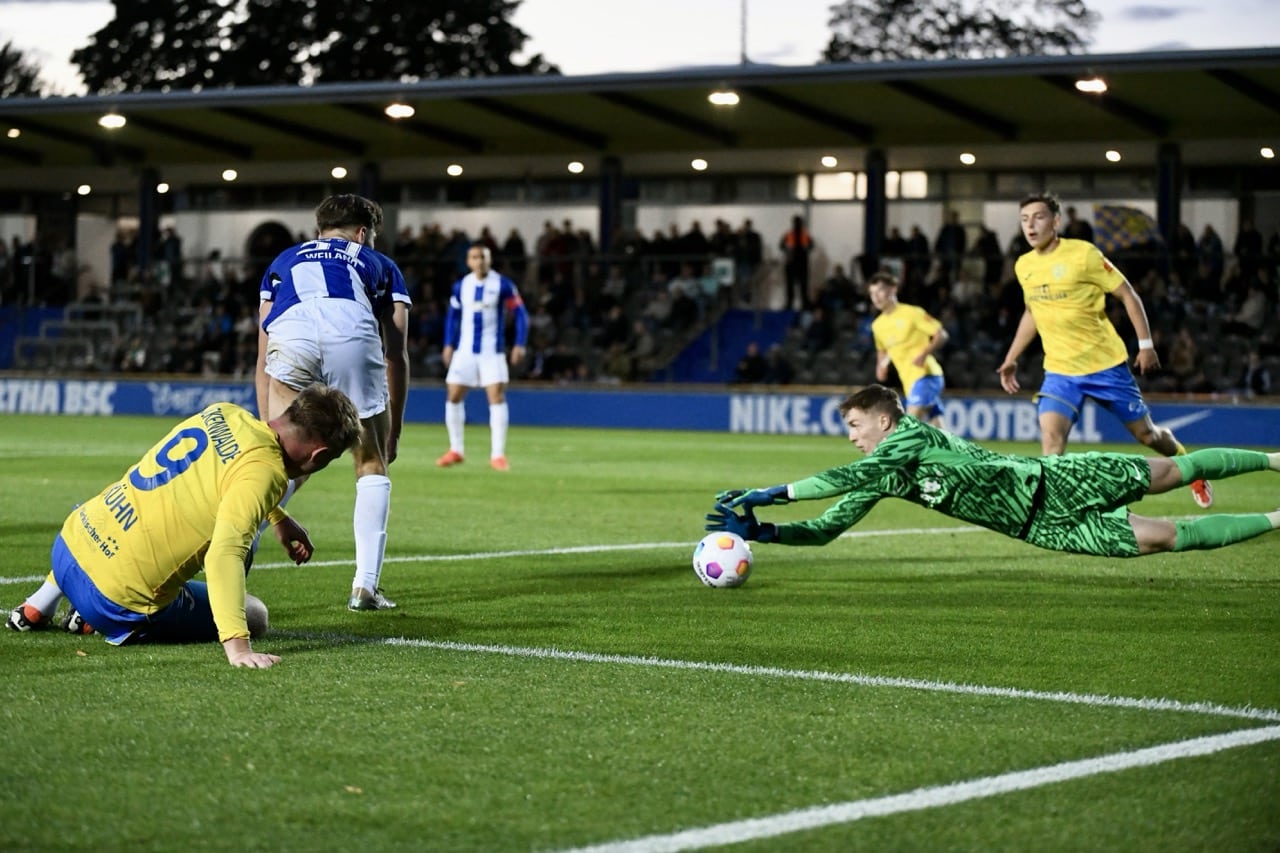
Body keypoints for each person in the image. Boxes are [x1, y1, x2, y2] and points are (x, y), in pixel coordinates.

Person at [6, 385, 361, 669]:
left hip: (68, 544)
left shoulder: (225, 413)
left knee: (131, 508)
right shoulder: (267, 473)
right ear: (319, 455)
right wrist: (237, 646)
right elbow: (225, 554)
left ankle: (42, 602)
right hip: (113, 602)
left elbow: (215, 478)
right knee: (255, 613)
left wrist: (278, 518)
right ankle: (90, 616)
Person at [706, 384, 1279, 559]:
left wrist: (772, 493)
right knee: (1165, 538)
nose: (852, 437)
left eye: (855, 425)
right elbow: (830, 526)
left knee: (1169, 473)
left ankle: (1276, 460)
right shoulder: (884, 471)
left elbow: (840, 479)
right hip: (1043, 527)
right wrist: (771, 532)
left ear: (883, 419)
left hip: (1050, 480)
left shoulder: (910, 435)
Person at [996, 192, 1214, 509]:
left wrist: (1146, 345)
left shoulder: (1083, 254)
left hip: (1105, 365)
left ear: (1056, 222)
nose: (1030, 226)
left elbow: (1128, 295)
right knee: (1052, 439)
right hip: (1059, 371)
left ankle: (1191, 469)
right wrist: (1011, 357)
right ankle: (1055, 509)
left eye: (1038, 217)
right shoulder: (1024, 266)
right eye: (1025, 219)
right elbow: (1032, 312)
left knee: (1148, 436)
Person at [256, 193, 411, 612]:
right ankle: (365, 586)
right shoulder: (379, 263)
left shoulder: (283, 261)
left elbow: (262, 354)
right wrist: (391, 432)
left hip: (293, 338)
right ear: (363, 233)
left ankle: (237, 559)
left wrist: (265, 430)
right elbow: (395, 353)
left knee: (280, 462)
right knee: (370, 465)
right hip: (351, 333)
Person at [436, 242, 530, 471]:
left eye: (483, 257)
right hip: (465, 350)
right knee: (454, 395)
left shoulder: (503, 285)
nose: (479, 261)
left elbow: (521, 315)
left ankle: (498, 454)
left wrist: (520, 343)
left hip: (492, 351)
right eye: (475, 257)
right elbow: (452, 316)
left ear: (490, 260)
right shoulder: (462, 286)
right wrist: (448, 343)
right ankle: (456, 449)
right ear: (468, 262)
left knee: (496, 397)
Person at [868, 270, 948, 427]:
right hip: (909, 381)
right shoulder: (877, 325)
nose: (876, 297)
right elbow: (882, 349)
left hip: (926, 375)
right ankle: (952, 452)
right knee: (937, 426)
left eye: (880, 291)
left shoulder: (911, 313)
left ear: (893, 289)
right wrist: (880, 366)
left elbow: (942, 335)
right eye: (872, 293)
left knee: (908, 427)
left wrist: (924, 354)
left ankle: (893, 453)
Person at [779, 214, 813, 311]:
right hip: (791, 263)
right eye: (796, 222)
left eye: (798, 222)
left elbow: (811, 245)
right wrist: (788, 249)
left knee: (803, 285)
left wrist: (805, 249)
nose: (797, 224)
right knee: (790, 285)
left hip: (802, 263)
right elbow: (781, 246)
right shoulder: (789, 234)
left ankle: (804, 304)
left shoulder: (804, 234)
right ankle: (789, 304)